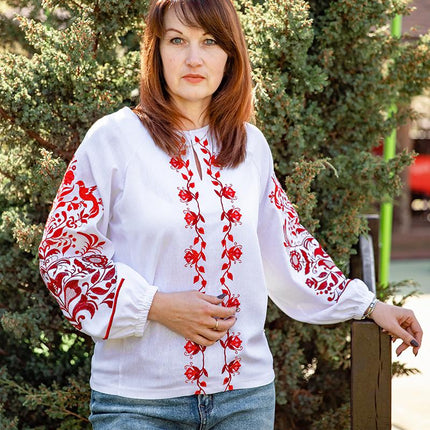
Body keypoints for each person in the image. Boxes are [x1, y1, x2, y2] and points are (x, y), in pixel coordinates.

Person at [38, 0, 423, 428]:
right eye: (176, 40)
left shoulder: (249, 146)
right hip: (138, 402)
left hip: (245, 398)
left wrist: (368, 306)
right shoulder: (112, 140)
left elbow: (290, 248)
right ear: (156, 51)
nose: (193, 57)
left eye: (210, 41)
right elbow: (63, 255)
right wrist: (155, 306)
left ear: (230, 55)